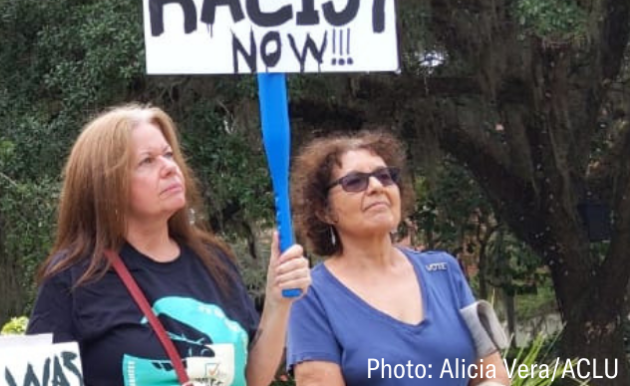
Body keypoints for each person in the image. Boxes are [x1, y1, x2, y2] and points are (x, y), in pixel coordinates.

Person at [28, 103, 311, 386]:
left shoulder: (214, 261)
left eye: (168, 154)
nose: (169, 168)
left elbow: (250, 379)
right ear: (106, 187)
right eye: (146, 161)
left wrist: (277, 302)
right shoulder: (74, 276)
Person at [286, 130, 509, 386]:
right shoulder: (311, 296)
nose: (376, 187)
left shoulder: (445, 271)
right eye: (355, 182)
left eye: (385, 176)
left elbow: (493, 374)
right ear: (324, 211)